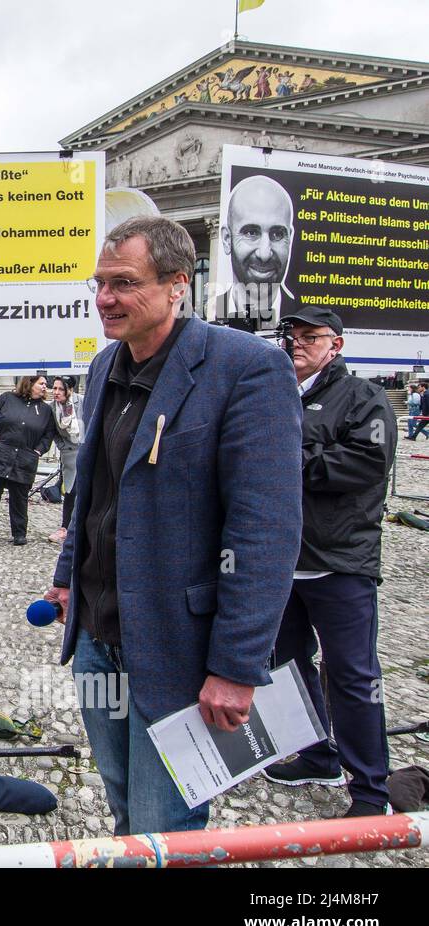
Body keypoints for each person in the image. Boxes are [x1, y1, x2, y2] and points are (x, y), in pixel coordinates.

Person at [42, 215, 302, 836]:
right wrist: (65, 576)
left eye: (125, 283)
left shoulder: (247, 369)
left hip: (179, 651)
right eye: (100, 283)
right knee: (126, 808)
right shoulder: (106, 364)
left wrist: (238, 666)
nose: (106, 298)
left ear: (176, 285)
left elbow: (264, 531)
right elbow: (94, 489)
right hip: (99, 640)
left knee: (167, 823)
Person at [265, 307, 396, 818]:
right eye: (290, 335)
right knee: (287, 668)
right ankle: (317, 754)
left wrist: (290, 461)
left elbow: (366, 462)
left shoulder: (364, 396)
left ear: (335, 345)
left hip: (340, 561)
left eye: (309, 336)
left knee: (352, 676)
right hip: (281, 560)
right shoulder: (273, 393)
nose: (296, 343)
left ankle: (370, 793)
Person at [0, 375, 55, 546]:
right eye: (41, 383)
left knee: (19, 499)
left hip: (24, 460)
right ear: (30, 383)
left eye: (46, 384)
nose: (45, 387)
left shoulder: (46, 410)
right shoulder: (6, 398)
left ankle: (19, 533)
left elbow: (48, 435)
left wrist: (38, 451)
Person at [216, 175, 294, 334]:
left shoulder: (303, 318)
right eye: (251, 233)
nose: (264, 254)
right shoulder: (206, 318)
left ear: (290, 239)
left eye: (277, 234)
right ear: (226, 239)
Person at [48, 376, 82, 546]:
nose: (56, 392)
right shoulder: (52, 408)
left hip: (85, 449)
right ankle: (65, 528)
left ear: (70, 390)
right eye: (54, 388)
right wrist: (62, 447)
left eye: (60, 389)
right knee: (70, 491)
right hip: (69, 454)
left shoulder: (81, 402)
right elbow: (53, 431)